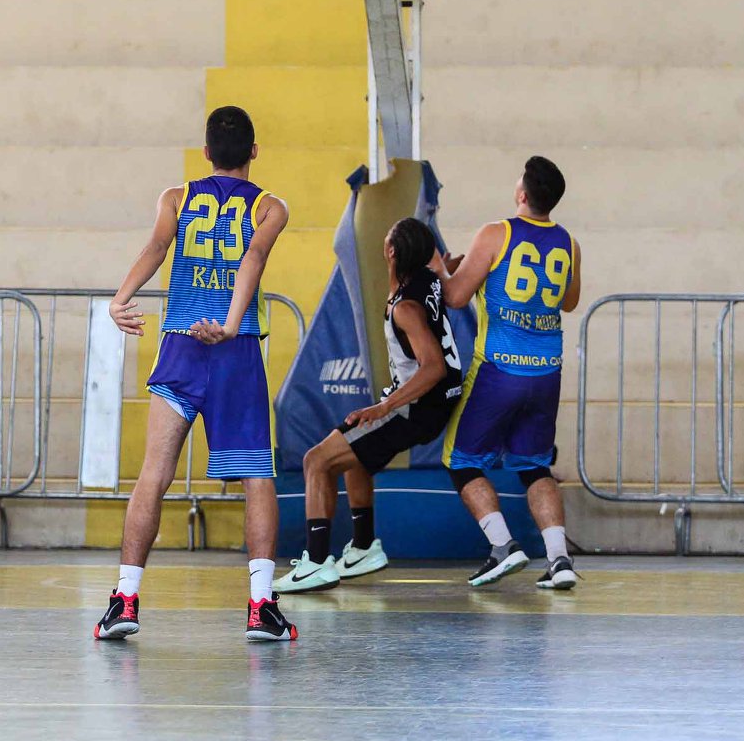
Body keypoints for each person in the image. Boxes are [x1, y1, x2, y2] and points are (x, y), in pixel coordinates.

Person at [94, 106, 296, 642]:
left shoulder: (176, 198)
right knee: (257, 476)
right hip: (235, 349)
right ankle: (260, 606)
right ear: (254, 151)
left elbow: (157, 248)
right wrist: (230, 325)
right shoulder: (271, 207)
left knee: (154, 474)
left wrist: (120, 299)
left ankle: (125, 600)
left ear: (205, 152)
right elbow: (252, 258)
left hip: (182, 344)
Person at [276, 218, 464, 593]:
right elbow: (442, 274)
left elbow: (434, 366)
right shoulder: (428, 278)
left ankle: (314, 562)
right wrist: (446, 268)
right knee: (353, 454)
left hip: (415, 406)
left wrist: (385, 407)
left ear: (391, 252)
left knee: (317, 461)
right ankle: (363, 547)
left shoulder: (406, 307)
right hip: (430, 404)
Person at [440, 156, 583, 590]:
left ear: (522, 194)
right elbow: (570, 301)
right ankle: (560, 560)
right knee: (535, 465)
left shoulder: (496, 232)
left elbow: (456, 297)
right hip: (547, 372)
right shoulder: (569, 243)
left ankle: (503, 546)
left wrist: (442, 267)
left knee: (460, 460)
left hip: (500, 367)